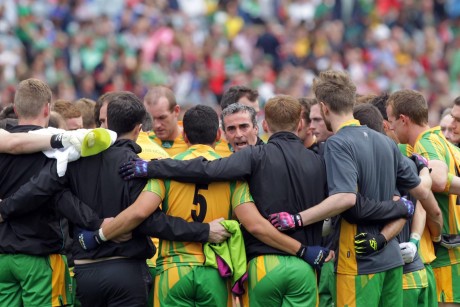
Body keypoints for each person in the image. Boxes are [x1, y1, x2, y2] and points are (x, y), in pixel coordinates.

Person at [1, 92, 229, 306]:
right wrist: (203, 231)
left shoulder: (75, 158)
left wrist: (94, 223)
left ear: (105, 123)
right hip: (126, 269)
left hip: (85, 271)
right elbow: (149, 219)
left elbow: (56, 195)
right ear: (139, 128)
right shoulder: (137, 165)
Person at [119, 95, 335, 306]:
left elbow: (207, 171)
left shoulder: (250, 158)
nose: (238, 134)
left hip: (255, 266)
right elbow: (333, 208)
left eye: (243, 127)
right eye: (232, 129)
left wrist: (152, 167)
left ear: (262, 126)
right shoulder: (319, 161)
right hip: (302, 267)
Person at [267, 71, 432, 307]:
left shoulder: (338, 142)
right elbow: (421, 193)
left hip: (358, 262)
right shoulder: (385, 140)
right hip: (393, 262)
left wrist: (296, 219)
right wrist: (423, 174)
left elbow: (345, 198)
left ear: (324, 108)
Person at [0, 78, 101, 306]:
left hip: (3, 258)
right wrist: (99, 224)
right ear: (47, 108)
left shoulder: (4, 142)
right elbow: (61, 199)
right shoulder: (58, 150)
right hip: (39, 255)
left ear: (16, 109)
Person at [354, 102, 442, 307]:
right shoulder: (410, 159)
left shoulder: (377, 161)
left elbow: (402, 207)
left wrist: (379, 239)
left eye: (393, 122)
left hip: (395, 272)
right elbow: (427, 206)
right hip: (420, 270)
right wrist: (416, 240)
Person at [386, 89, 460, 306]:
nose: (390, 127)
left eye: (392, 121)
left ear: (403, 119)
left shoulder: (425, 142)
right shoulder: (444, 142)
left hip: (448, 258)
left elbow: (436, 180)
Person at [144, 86, 232, 157]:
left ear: (176, 111)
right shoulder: (143, 141)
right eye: (151, 119)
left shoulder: (197, 137)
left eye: (162, 118)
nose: (156, 125)